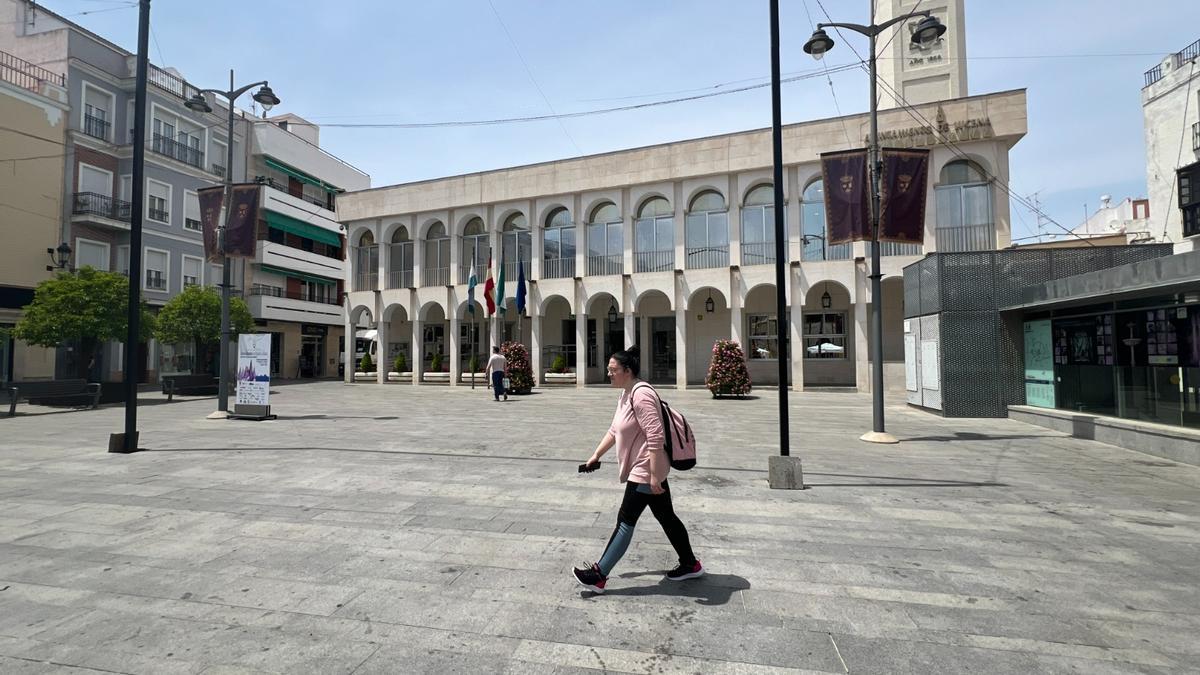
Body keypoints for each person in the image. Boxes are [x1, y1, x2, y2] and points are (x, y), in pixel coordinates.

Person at [573, 345, 702, 594]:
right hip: (647, 468)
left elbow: (655, 436)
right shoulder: (626, 393)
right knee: (666, 516)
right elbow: (614, 430)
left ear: (628, 370)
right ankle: (690, 564)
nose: (608, 374)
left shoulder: (641, 395)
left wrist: (654, 475)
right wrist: (596, 455)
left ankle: (599, 575)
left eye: (613, 370)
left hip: (645, 468)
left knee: (625, 520)